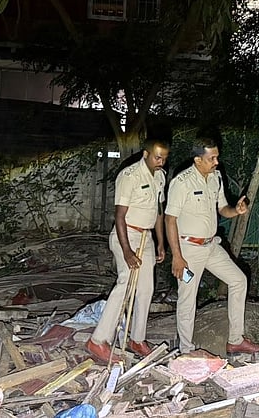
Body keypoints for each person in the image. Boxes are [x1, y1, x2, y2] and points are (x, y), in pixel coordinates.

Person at [164, 136, 259, 355]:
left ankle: (235, 340)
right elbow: (169, 220)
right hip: (189, 251)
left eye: (217, 157)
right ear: (198, 160)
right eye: (212, 158)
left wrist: (236, 211)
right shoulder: (182, 183)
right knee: (188, 298)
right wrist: (177, 257)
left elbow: (223, 209)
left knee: (238, 280)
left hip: (211, 246)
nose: (216, 162)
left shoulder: (216, 177)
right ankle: (186, 350)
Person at [86, 139, 169, 363]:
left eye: (164, 158)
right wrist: (127, 251)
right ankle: (98, 340)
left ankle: (137, 339)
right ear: (146, 154)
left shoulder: (160, 177)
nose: (161, 162)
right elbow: (120, 216)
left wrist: (161, 242)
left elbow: (159, 212)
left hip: (146, 237)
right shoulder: (129, 176)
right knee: (125, 284)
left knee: (146, 289)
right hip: (126, 235)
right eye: (157, 157)